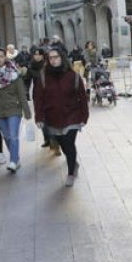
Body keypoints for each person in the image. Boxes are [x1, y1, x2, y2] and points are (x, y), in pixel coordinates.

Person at [34, 48, 89, 186]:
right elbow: (38, 98)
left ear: (62, 58)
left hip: (72, 116)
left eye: (56, 57)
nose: (53, 60)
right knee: (62, 144)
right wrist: (39, 117)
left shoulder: (73, 76)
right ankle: (73, 161)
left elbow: (82, 97)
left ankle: (71, 173)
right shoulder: (43, 76)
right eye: (50, 58)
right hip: (53, 117)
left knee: (69, 143)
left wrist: (84, 117)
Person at [0, 46, 32, 173]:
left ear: (5, 57)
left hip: (13, 109)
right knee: (6, 136)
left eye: (1, 56)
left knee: (13, 135)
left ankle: (12, 161)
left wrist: (27, 112)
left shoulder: (14, 74)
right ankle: (16, 159)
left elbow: (21, 94)